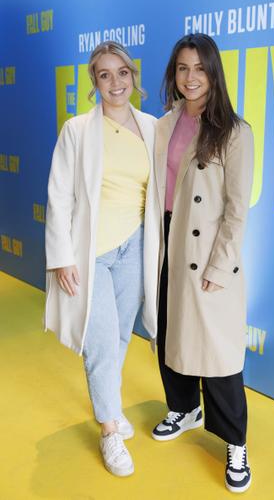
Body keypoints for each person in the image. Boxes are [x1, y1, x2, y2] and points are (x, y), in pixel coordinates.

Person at [44, 41, 159, 477]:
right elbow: (58, 195)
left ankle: (110, 405)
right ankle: (110, 429)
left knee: (121, 338)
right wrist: (61, 256)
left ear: (133, 76)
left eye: (122, 73)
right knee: (101, 342)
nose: (116, 82)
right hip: (91, 250)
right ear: (94, 83)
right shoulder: (77, 129)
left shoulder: (152, 127)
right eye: (105, 75)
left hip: (136, 245)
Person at [152, 33, 254, 493]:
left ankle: (236, 443)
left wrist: (220, 266)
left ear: (213, 73)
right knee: (171, 333)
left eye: (199, 68)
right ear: (173, 74)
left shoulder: (235, 131)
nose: (190, 78)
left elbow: (237, 210)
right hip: (168, 241)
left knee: (218, 355)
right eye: (181, 68)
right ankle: (183, 408)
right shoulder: (162, 124)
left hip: (208, 254)